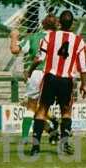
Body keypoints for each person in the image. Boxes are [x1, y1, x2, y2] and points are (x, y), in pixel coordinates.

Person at [29, 10, 86, 155]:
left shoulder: (49, 36)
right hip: (66, 80)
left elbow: (40, 58)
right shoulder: (79, 41)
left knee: (42, 110)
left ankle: (35, 147)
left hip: (50, 78)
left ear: (59, 23)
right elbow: (83, 66)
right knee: (66, 112)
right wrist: (84, 84)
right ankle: (65, 143)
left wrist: (30, 70)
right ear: (72, 24)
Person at [9, 14, 60, 144]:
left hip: (37, 73)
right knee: (42, 107)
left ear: (42, 24)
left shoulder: (33, 38)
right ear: (56, 25)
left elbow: (14, 50)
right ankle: (54, 128)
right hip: (55, 75)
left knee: (31, 107)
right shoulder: (60, 39)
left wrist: (14, 36)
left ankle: (26, 137)